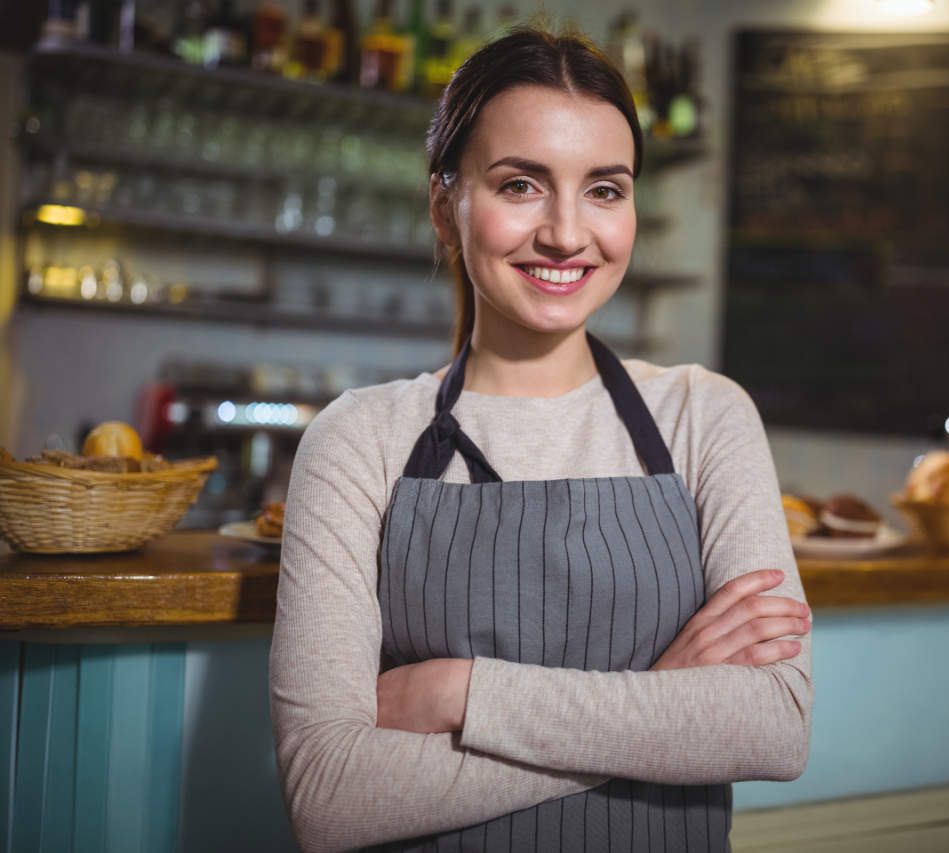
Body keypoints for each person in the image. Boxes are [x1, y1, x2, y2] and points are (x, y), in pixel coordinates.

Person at [269, 26, 812, 853]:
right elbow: (332, 795)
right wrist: (658, 702)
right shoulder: (360, 440)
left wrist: (463, 692)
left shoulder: (705, 415)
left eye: (604, 190)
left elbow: (773, 726)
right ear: (445, 206)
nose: (566, 233)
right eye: (521, 185)